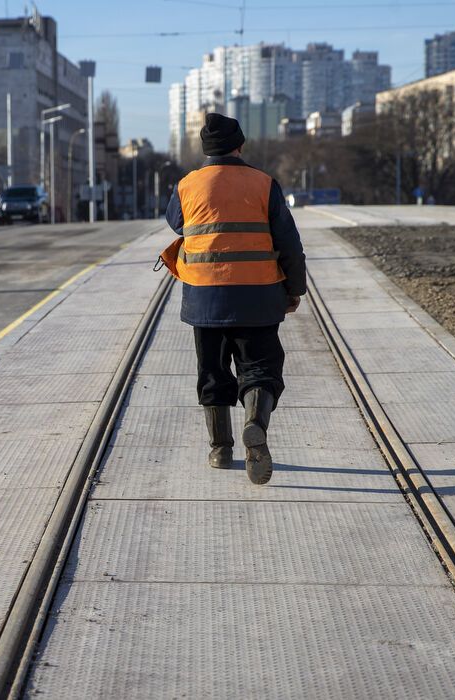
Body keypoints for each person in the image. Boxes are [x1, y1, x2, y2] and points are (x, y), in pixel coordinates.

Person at [161, 113, 306, 485]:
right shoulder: (263, 184)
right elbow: (289, 241)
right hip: (258, 297)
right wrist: (294, 289)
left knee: (212, 371)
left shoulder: (187, 185)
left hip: (204, 298)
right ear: (240, 145)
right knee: (260, 366)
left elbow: (178, 223)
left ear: (205, 150)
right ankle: (255, 423)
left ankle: (220, 449)